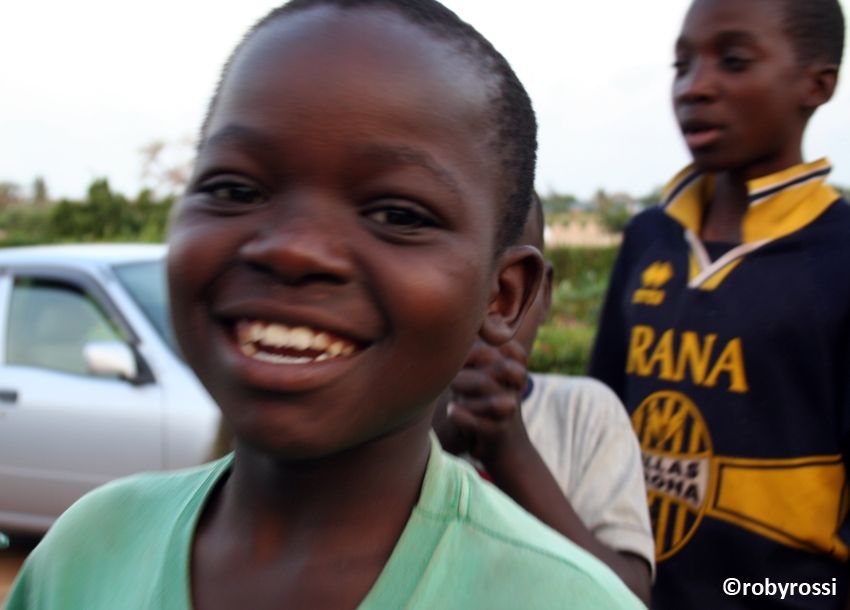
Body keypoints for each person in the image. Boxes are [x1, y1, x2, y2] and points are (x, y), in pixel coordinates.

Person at [6, 1, 644, 609]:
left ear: (502, 296)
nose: (293, 249)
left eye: (397, 214)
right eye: (233, 187)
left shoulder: (564, 601)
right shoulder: (84, 552)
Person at [588, 0, 848, 607]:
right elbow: (602, 415)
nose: (695, 87)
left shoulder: (839, 257)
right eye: (682, 65)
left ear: (818, 82)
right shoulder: (649, 236)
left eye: (732, 61)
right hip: (625, 589)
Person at [434, 193, 655, 604]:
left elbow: (629, 595)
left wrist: (509, 449)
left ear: (543, 292)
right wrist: (433, 439)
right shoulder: (386, 420)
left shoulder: (585, 413)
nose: (489, 314)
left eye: (511, 289)